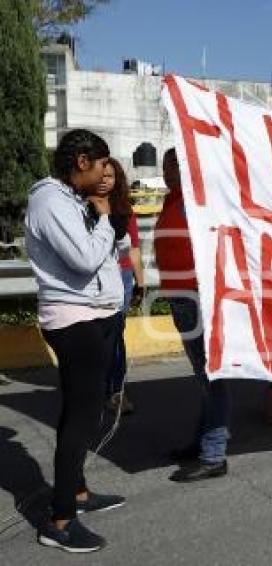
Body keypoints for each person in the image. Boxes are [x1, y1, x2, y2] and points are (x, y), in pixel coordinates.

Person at [25, 129, 127, 553]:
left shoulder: (72, 200)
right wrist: (102, 214)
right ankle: (60, 519)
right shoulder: (50, 200)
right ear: (82, 161)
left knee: (81, 412)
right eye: (102, 164)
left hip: (93, 315)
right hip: (74, 320)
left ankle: (78, 493)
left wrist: (103, 211)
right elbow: (85, 258)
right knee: (81, 418)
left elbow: (108, 250)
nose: (107, 173)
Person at [154, 148, 230, 482]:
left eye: (175, 166)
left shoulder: (197, 201)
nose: (168, 172)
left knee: (212, 376)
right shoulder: (173, 200)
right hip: (180, 297)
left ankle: (214, 454)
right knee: (204, 377)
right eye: (166, 166)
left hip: (198, 296)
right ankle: (206, 441)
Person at [96, 158, 145, 414]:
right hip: (90, 282)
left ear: (118, 180)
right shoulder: (82, 206)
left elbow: (134, 249)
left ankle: (116, 392)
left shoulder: (125, 210)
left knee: (115, 336)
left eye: (111, 176)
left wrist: (140, 282)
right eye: (101, 175)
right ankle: (94, 390)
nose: (105, 180)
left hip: (122, 278)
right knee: (95, 336)